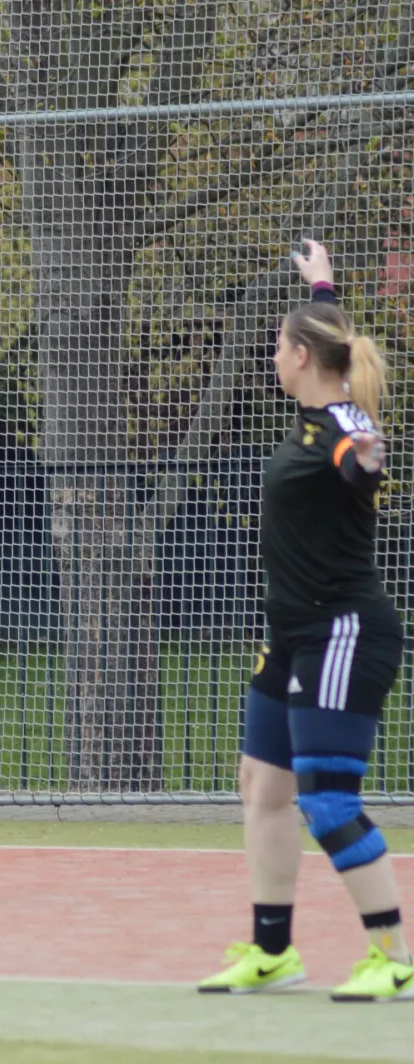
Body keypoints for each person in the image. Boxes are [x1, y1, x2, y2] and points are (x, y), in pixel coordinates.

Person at [198, 240, 412, 1002]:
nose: (272, 357)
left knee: (327, 801)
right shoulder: (313, 412)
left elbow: (362, 452)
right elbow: (332, 343)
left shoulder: (344, 423)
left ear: (300, 357)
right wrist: (321, 284)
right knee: (261, 783)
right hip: (291, 634)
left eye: (277, 347)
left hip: (343, 631)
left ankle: (392, 955)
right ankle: (272, 952)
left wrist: (367, 459)